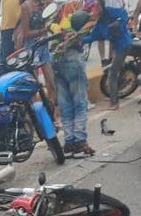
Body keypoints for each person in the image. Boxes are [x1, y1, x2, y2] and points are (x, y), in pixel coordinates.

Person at [50, 0, 99, 157]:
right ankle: (79, 141)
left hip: (56, 60)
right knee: (79, 102)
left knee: (65, 104)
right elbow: (89, 24)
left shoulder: (53, 11)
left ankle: (70, 141)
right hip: (72, 57)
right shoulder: (78, 6)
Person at [84, 0, 133, 109]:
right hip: (118, 47)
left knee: (112, 74)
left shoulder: (111, 12)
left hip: (124, 45)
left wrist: (120, 25)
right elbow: (91, 37)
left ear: (101, 8)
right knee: (113, 72)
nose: (93, 12)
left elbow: (124, 14)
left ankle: (114, 103)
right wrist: (77, 40)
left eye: (95, 9)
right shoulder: (100, 24)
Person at [15, 0, 57, 114]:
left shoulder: (43, 4)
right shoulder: (25, 6)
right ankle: (36, 116)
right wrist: (44, 30)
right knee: (34, 86)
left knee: (51, 83)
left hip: (43, 47)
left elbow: (54, 12)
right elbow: (26, 33)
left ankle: (51, 114)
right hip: (32, 49)